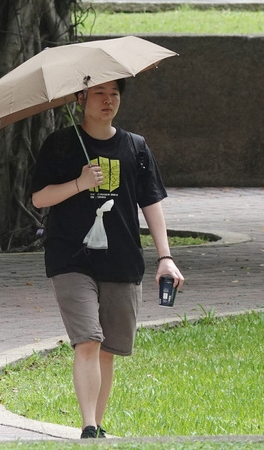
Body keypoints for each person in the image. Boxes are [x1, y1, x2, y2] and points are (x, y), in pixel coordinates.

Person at [30, 79, 184, 439]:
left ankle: (97, 427)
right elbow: (39, 198)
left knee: (108, 350)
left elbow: (150, 203)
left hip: (122, 258)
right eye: (99, 93)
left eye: (114, 94)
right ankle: (87, 426)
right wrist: (79, 183)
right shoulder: (62, 144)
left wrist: (166, 256)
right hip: (71, 258)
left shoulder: (135, 147)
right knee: (88, 339)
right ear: (80, 98)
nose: (108, 101)